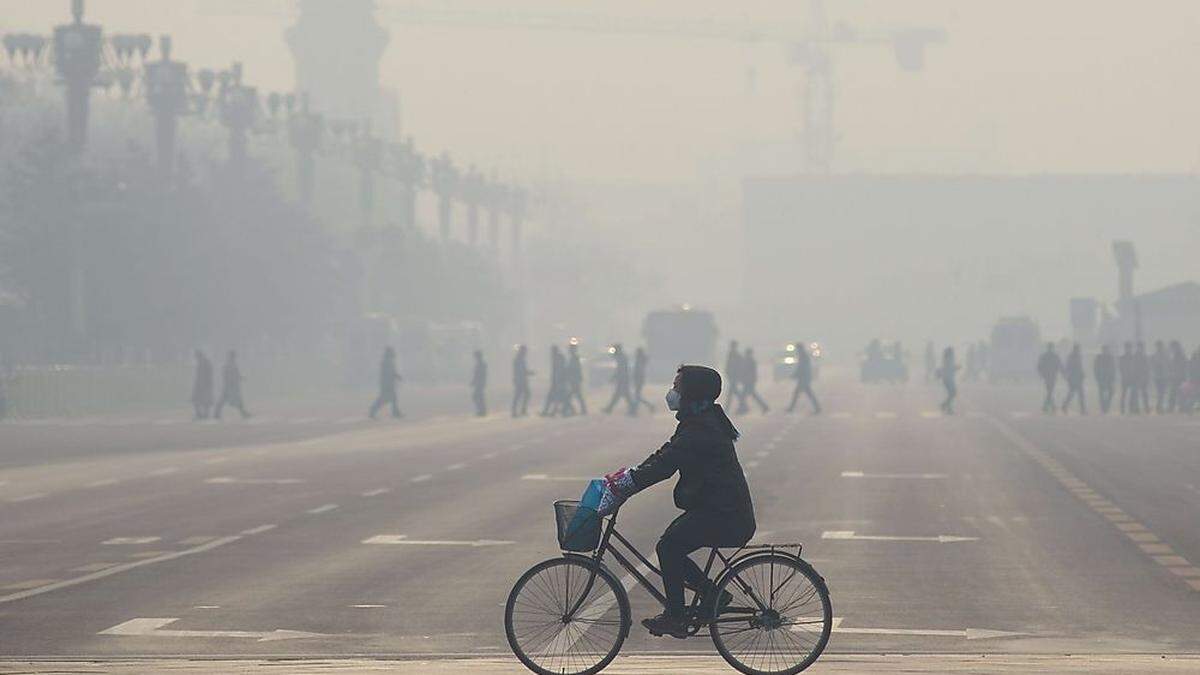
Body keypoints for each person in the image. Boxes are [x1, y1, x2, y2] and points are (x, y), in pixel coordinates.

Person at [629, 365, 755, 639]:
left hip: (727, 516)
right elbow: (665, 454)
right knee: (671, 544)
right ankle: (713, 595)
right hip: (718, 509)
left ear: (691, 393)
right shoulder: (697, 421)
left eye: (677, 387)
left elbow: (666, 465)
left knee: (669, 546)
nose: (672, 392)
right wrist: (629, 475)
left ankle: (676, 615)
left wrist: (629, 486)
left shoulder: (702, 429)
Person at [786, 341, 821, 414]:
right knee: (808, 393)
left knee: (797, 394)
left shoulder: (803, 356)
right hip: (805, 378)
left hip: (803, 379)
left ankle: (791, 408)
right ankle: (817, 407)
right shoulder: (803, 355)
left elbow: (801, 368)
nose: (797, 350)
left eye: (797, 348)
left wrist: (794, 375)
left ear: (800, 348)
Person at [214, 350, 250, 420]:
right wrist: (237, 379)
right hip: (230, 386)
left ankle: (216, 413)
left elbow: (235, 374)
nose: (234, 357)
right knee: (228, 400)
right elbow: (228, 375)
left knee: (225, 400)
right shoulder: (229, 364)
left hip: (230, 386)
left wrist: (240, 378)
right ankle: (243, 413)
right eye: (233, 356)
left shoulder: (231, 364)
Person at [368, 346, 402, 419]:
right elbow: (388, 373)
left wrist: (397, 376)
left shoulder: (388, 361)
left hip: (388, 384)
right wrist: (396, 376)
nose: (394, 354)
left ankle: (395, 412)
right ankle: (372, 411)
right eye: (392, 352)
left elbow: (392, 372)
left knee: (393, 398)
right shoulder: (386, 362)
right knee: (383, 399)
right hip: (387, 384)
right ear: (389, 353)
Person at [733, 347, 769, 414]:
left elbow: (748, 372)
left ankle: (743, 409)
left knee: (744, 396)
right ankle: (764, 406)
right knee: (751, 395)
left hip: (748, 381)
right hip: (749, 381)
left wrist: (743, 378)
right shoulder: (750, 360)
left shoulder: (749, 361)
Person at [603, 344, 635, 415]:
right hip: (623, 379)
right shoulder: (622, 357)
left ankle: (633, 410)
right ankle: (609, 408)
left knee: (624, 396)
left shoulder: (621, 357)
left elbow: (620, 370)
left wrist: (614, 377)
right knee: (622, 395)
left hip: (623, 379)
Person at [541, 345, 566, 416]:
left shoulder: (557, 358)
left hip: (558, 381)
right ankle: (550, 411)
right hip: (557, 381)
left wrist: (557, 380)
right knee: (556, 397)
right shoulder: (557, 358)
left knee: (557, 397)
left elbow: (559, 370)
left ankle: (551, 411)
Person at [1036, 343, 1062, 414]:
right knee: (1050, 391)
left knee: (1049, 391)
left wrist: (1041, 374)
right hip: (1051, 376)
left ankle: (1047, 406)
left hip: (1048, 376)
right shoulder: (1054, 356)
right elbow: (1059, 365)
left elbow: (1039, 366)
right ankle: (1050, 406)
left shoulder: (1045, 356)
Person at [1061, 344, 1086, 415]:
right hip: (1073, 378)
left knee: (1076, 394)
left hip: (1077, 378)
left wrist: (1082, 374)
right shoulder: (1072, 357)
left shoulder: (1078, 356)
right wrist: (1068, 376)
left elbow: (1080, 367)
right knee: (1075, 394)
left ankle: (1081, 409)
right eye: (1077, 349)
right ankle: (1082, 409)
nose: (1078, 350)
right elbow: (1069, 367)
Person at [190, 349, 214, 420]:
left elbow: (205, 375)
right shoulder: (204, 362)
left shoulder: (204, 363)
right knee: (201, 400)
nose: (196, 358)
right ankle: (201, 414)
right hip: (203, 385)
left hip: (203, 385)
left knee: (202, 400)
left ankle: (202, 414)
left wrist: (204, 383)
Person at [629, 347, 654, 415]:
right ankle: (649, 406)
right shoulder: (641, 360)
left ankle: (634, 411)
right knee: (637, 396)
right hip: (639, 380)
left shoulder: (639, 360)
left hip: (638, 380)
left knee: (637, 396)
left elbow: (638, 371)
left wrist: (634, 378)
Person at [511, 345, 533, 417]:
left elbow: (520, 370)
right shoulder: (519, 359)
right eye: (525, 351)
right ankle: (517, 410)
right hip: (521, 380)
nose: (526, 353)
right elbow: (521, 371)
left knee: (520, 395)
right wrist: (529, 373)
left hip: (521, 380)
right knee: (520, 395)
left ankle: (519, 410)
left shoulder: (519, 359)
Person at [565, 342, 587, 415]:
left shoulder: (574, 358)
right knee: (577, 395)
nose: (569, 350)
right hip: (575, 379)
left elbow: (574, 369)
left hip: (575, 380)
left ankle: (570, 410)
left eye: (570, 349)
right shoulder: (574, 358)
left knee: (570, 396)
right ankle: (582, 410)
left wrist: (567, 373)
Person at [1094, 344, 1116, 414]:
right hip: (1101, 379)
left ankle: (1106, 406)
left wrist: (1113, 378)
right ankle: (1104, 408)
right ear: (1102, 350)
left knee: (1111, 393)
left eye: (1106, 350)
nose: (1105, 351)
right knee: (1101, 394)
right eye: (1104, 350)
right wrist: (1097, 377)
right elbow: (1096, 368)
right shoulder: (1099, 358)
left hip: (1109, 379)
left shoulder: (1110, 358)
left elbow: (1113, 369)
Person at [938, 346, 959, 414]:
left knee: (952, 393)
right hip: (948, 379)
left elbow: (948, 368)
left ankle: (945, 405)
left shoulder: (947, 358)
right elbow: (949, 368)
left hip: (947, 378)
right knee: (952, 393)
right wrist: (956, 367)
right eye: (952, 352)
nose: (953, 353)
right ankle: (947, 407)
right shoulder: (948, 359)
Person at [1168, 340, 1188, 413]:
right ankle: (1178, 408)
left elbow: (1181, 367)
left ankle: (1177, 408)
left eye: (1172, 347)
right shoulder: (1176, 355)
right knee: (1177, 394)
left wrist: (1174, 374)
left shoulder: (1179, 356)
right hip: (1177, 377)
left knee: (1178, 394)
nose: (1172, 349)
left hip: (1179, 378)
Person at [1151, 340, 1170, 414]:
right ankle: (1159, 407)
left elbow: (1167, 365)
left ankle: (1159, 406)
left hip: (1162, 377)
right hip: (1159, 377)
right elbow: (1153, 366)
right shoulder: (1157, 355)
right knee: (1161, 393)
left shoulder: (1163, 355)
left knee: (1161, 393)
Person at [722, 341, 741, 409]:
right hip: (732, 375)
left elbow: (731, 365)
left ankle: (727, 408)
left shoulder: (734, 354)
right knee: (733, 392)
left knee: (731, 392)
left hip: (733, 376)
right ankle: (743, 405)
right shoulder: (733, 354)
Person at [1133, 341, 1151, 414]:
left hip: (1143, 378)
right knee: (1137, 394)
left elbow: (1147, 368)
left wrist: (1146, 377)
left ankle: (1146, 408)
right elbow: (1133, 367)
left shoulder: (1144, 356)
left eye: (1141, 347)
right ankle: (1137, 408)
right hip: (1137, 378)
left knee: (1144, 394)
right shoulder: (1136, 356)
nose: (1140, 348)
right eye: (1139, 347)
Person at [1119, 342, 1136, 414]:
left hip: (1132, 378)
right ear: (1125, 349)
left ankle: (1131, 408)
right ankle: (1122, 409)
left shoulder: (1133, 357)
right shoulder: (1122, 358)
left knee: (1132, 394)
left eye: (1129, 348)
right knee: (1124, 394)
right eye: (1127, 348)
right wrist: (1124, 374)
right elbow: (1120, 368)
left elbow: (1136, 368)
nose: (1128, 349)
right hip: (1125, 378)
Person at [470, 350, 487, 417]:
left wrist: (474, 381)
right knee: (479, 397)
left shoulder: (481, 364)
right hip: (479, 383)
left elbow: (479, 374)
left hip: (480, 383)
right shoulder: (481, 364)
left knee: (476, 397)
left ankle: (481, 411)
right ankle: (482, 410)